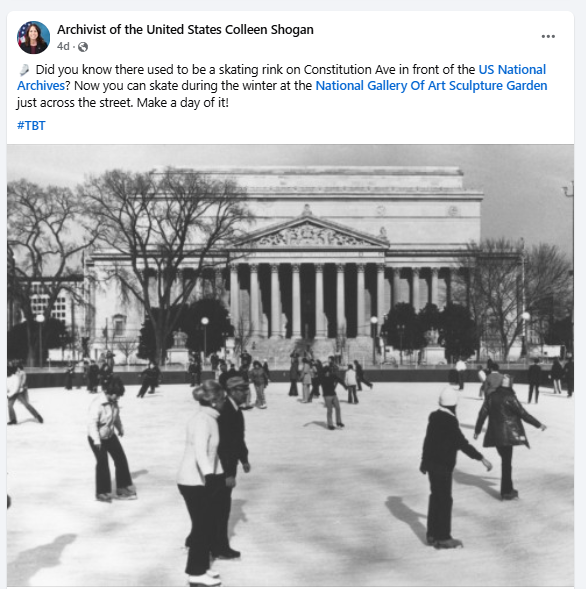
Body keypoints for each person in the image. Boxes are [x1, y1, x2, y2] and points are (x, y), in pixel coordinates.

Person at [420, 385, 492, 549]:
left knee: (435, 497)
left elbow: (428, 441)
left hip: (432, 465)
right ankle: (443, 537)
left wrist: (424, 462)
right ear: (454, 405)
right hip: (443, 466)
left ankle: (432, 534)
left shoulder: (435, 418)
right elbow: (461, 443)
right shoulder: (450, 421)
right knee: (444, 500)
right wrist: (481, 458)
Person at [177, 380, 226, 587]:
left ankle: (201, 566)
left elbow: (212, 453)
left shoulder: (208, 418)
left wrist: (218, 474)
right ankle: (195, 573)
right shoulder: (202, 421)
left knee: (205, 524)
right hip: (193, 480)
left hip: (199, 479)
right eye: (223, 399)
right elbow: (200, 452)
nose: (225, 402)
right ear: (214, 401)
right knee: (202, 526)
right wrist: (210, 476)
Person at [474, 374, 546, 500]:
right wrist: (539, 424)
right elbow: (523, 414)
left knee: (506, 462)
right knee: (506, 463)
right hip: (507, 437)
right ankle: (506, 491)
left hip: (495, 435)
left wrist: (477, 430)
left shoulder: (491, 397)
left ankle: (508, 489)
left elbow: (482, 414)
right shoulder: (510, 397)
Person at [214, 377, 251, 560]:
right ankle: (220, 548)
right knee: (220, 508)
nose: (246, 393)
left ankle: (196, 540)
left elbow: (238, 438)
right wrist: (228, 473)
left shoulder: (236, 410)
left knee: (218, 507)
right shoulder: (226, 411)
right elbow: (223, 445)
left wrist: (244, 458)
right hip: (221, 468)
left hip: (227, 466)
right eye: (243, 390)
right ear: (232, 391)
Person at [87, 376, 136, 502]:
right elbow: (92, 424)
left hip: (109, 435)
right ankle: (101, 492)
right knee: (102, 462)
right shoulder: (97, 404)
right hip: (96, 437)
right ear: (110, 392)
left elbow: (116, 417)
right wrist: (97, 441)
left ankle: (122, 487)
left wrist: (120, 428)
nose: (118, 398)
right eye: (117, 395)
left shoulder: (114, 403)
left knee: (120, 458)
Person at [321, 365, 345, 430]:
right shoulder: (322, 378)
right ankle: (330, 425)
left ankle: (338, 422)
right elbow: (315, 382)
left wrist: (344, 385)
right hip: (327, 396)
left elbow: (339, 380)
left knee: (338, 408)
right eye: (327, 372)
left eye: (329, 372)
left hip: (334, 395)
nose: (328, 373)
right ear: (324, 372)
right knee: (330, 410)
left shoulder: (332, 376)